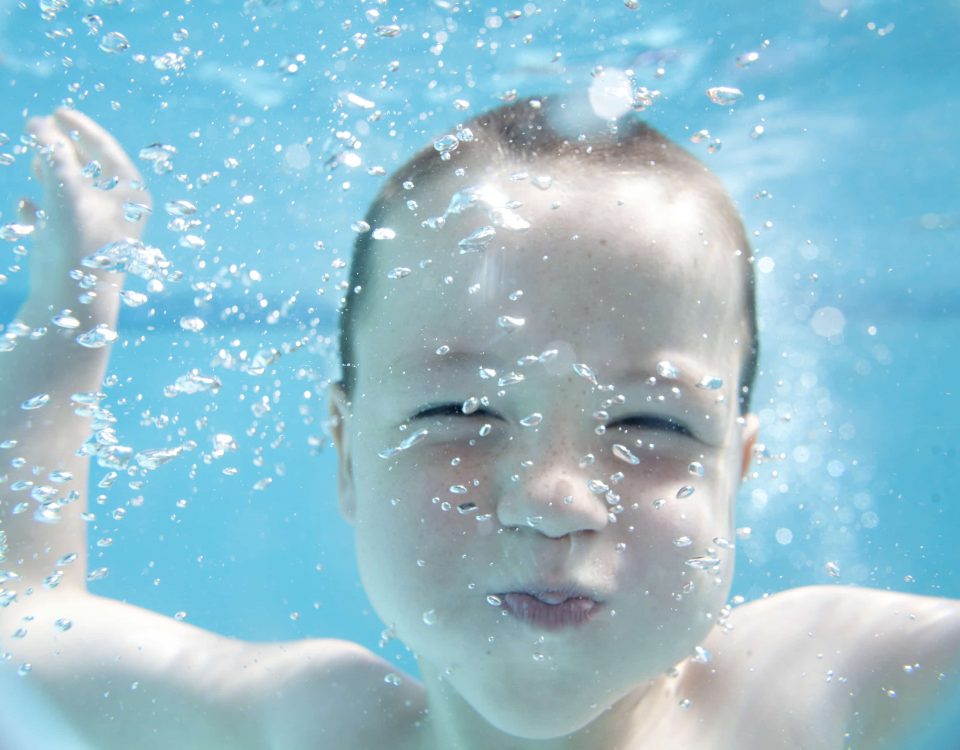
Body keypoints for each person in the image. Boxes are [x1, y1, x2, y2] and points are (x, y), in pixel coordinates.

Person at [0, 99, 956, 750]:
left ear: (736, 474)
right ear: (345, 455)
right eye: (458, 410)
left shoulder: (799, 686)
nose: (552, 503)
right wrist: (71, 310)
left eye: (652, 421)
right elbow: (22, 623)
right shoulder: (316, 725)